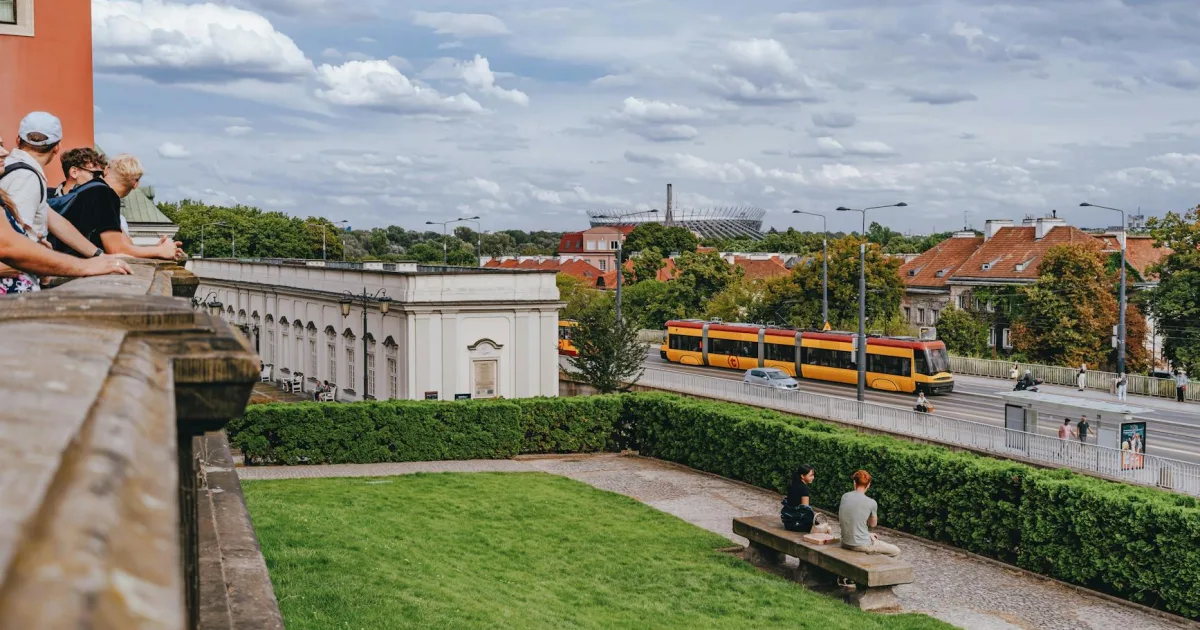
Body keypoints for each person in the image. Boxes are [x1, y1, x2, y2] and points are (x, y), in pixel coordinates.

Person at [52, 153, 183, 260]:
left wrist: (155, 250)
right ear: (136, 184)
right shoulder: (105, 194)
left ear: (107, 171)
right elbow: (116, 250)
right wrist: (159, 251)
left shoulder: (89, 190)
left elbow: (127, 246)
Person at [0, 187, 132, 293]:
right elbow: (8, 247)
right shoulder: (25, 176)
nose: (5, 152)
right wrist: (86, 266)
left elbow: (56, 221)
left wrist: (40, 269)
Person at [838, 470, 900, 557]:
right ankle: (878, 569)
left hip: (845, 542)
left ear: (854, 483)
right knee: (896, 551)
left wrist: (867, 534)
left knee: (870, 537)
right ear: (868, 485)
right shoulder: (871, 502)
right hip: (861, 545)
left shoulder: (845, 496)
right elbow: (873, 524)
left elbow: (852, 521)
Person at [780, 464, 832, 534]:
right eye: (811, 475)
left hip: (788, 522)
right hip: (797, 524)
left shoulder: (792, 484)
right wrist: (816, 523)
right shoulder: (804, 489)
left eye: (813, 475)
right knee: (827, 528)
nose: (813, 477)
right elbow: (805, 510)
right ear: (802, 476)